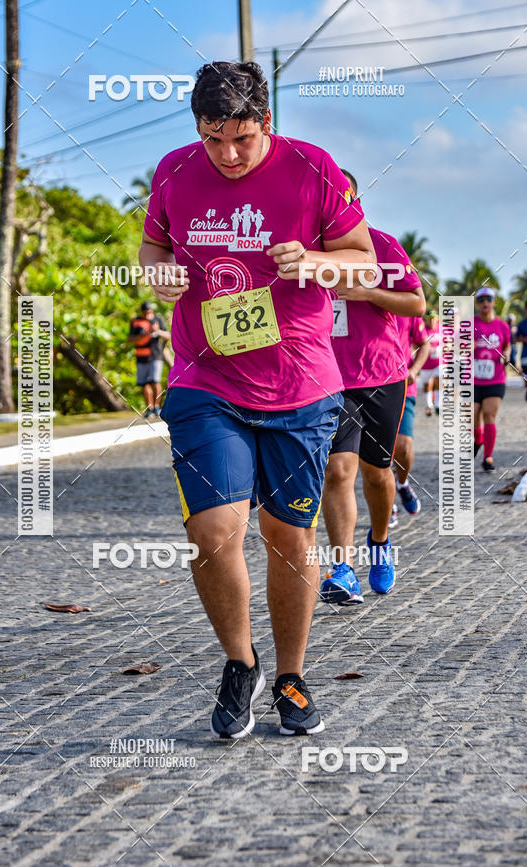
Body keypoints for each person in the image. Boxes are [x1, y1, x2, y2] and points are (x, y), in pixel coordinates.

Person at [138, 61, 375, 738]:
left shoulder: (313, 168)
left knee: (286, 535)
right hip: (204, 381)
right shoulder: (176, 171)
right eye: (213, 138)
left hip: (300, 384)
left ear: (266, 122)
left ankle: (292, 674)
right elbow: (153, 247)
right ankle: (240, 663)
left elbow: (362, 259)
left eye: (240, 137)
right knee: (213, 534)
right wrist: (160, 275)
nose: (228, 154)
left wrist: (319, 262)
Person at [320, 170, 426, 607]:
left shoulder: (381, 245)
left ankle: (380, 542)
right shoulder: (306, 250)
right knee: (337, 470)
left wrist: (370, 294)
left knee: (377, 474)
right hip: (328, 377)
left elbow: (416, 303)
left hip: (382, 375)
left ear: (352, 198)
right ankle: (342, 569)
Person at [392, 315, 431, 520]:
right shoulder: (357, 296)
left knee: (403, 446)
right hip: (368, 386)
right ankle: (385, 501)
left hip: (404, 385)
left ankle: (402, 482)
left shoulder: (405, 300)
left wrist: (414, 370)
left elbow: (424, 345)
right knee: (379, 451)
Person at [474, 287, 511, 471]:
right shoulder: (470, 324)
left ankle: (488, 457)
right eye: (481, 300)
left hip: (495, 379)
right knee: (471, 419)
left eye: (488, 299)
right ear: (477, 304)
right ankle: (478, 440)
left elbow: (508, 346)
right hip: (473, 381)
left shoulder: (502, 326)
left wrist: (507, 355)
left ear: (494, 302)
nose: (485, 303)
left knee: (489, 414)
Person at [128, 301, 170, 417]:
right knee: (144, 383)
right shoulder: (136, 322)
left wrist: (157, 331)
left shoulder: (158, 320)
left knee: (155, 381)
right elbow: (130, 339)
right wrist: (145, 334)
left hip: (156, 355)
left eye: (149, 312)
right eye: (145, 312)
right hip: (141, 356)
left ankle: (157, 406)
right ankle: (149, 408)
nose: (147, 314)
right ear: (142, 312)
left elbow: (168, 335)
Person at [419, 311, 441, 415]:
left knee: (439, 379)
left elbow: (449, 342)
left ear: (437, 319)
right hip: (425, 363)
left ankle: (438, 405)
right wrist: (429, 349)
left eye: (434, 318)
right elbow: (416, 344)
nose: (432, 321)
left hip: (439, 362)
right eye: (429, 319)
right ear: (426, 320)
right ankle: (429, 405)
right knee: (427, 385)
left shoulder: (441, 330)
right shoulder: (423, 330)